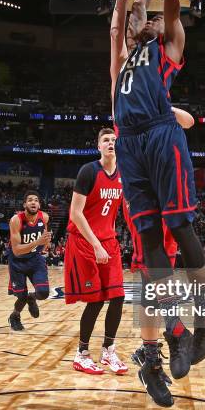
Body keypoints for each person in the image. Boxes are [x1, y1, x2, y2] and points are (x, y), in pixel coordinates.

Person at [110, 0, 205, 407]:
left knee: (177, 226)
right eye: (143, 20)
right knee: (149, 246)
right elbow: (125, 19)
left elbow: (168, 1)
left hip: (157, 135)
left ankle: (204, 316)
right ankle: (166, 336)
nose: (148, 20)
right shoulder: (126, 57)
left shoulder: (167, 45)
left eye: (153, 19)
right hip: (133, 145)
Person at [65, 128, 127, 375]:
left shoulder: (124, 174)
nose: (111, 143)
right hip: (85, 241)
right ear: (98, 146)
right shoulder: (89, 171)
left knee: (119, 296)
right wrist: (96, 244)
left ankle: (108, 350)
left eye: (113, 140)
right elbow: (75, 213)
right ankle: (81, 354)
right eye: (106, 140)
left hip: (108, 241)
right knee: (96, 300)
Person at [7, 191, 51, 331]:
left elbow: (44, 241)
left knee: (43, 293)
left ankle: (32, 298)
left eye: (36, 200)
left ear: (39, 204)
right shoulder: (16, 220)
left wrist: (45, 244)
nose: (33, 202)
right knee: (21, 296)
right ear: (24, 204)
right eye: (30, 200)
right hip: (17, 262)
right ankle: (15, 315)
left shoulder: (44, 217)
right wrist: (37, 242)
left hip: (35, 259)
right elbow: (16, 250)